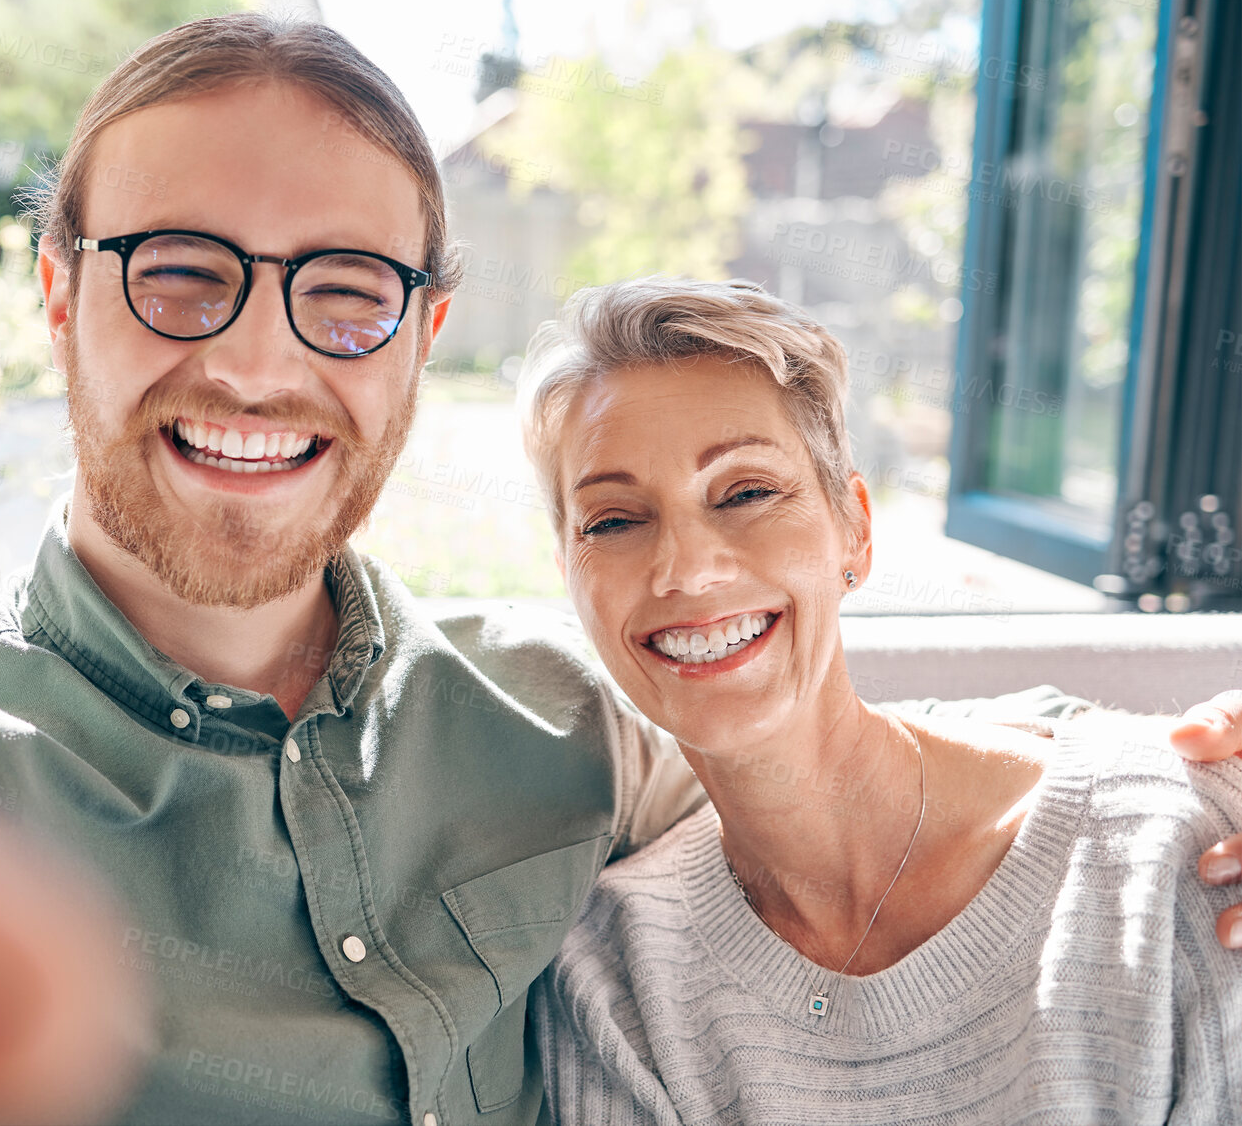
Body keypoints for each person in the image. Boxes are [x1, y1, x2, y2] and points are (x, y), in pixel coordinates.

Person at [0, 8, 1240, 1125]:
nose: (255, 364)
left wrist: (1170, 776)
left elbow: (811, 739)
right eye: (178, 271)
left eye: (338, 290)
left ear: (417, 334)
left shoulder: (560, 720)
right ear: (55, 296)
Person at [520, 277, 1242, 1123]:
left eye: (746, 492)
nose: (685, 568)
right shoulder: (611, 974)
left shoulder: (1180, 847)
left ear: (852, 531)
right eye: (611, 521)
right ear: (569, 574)